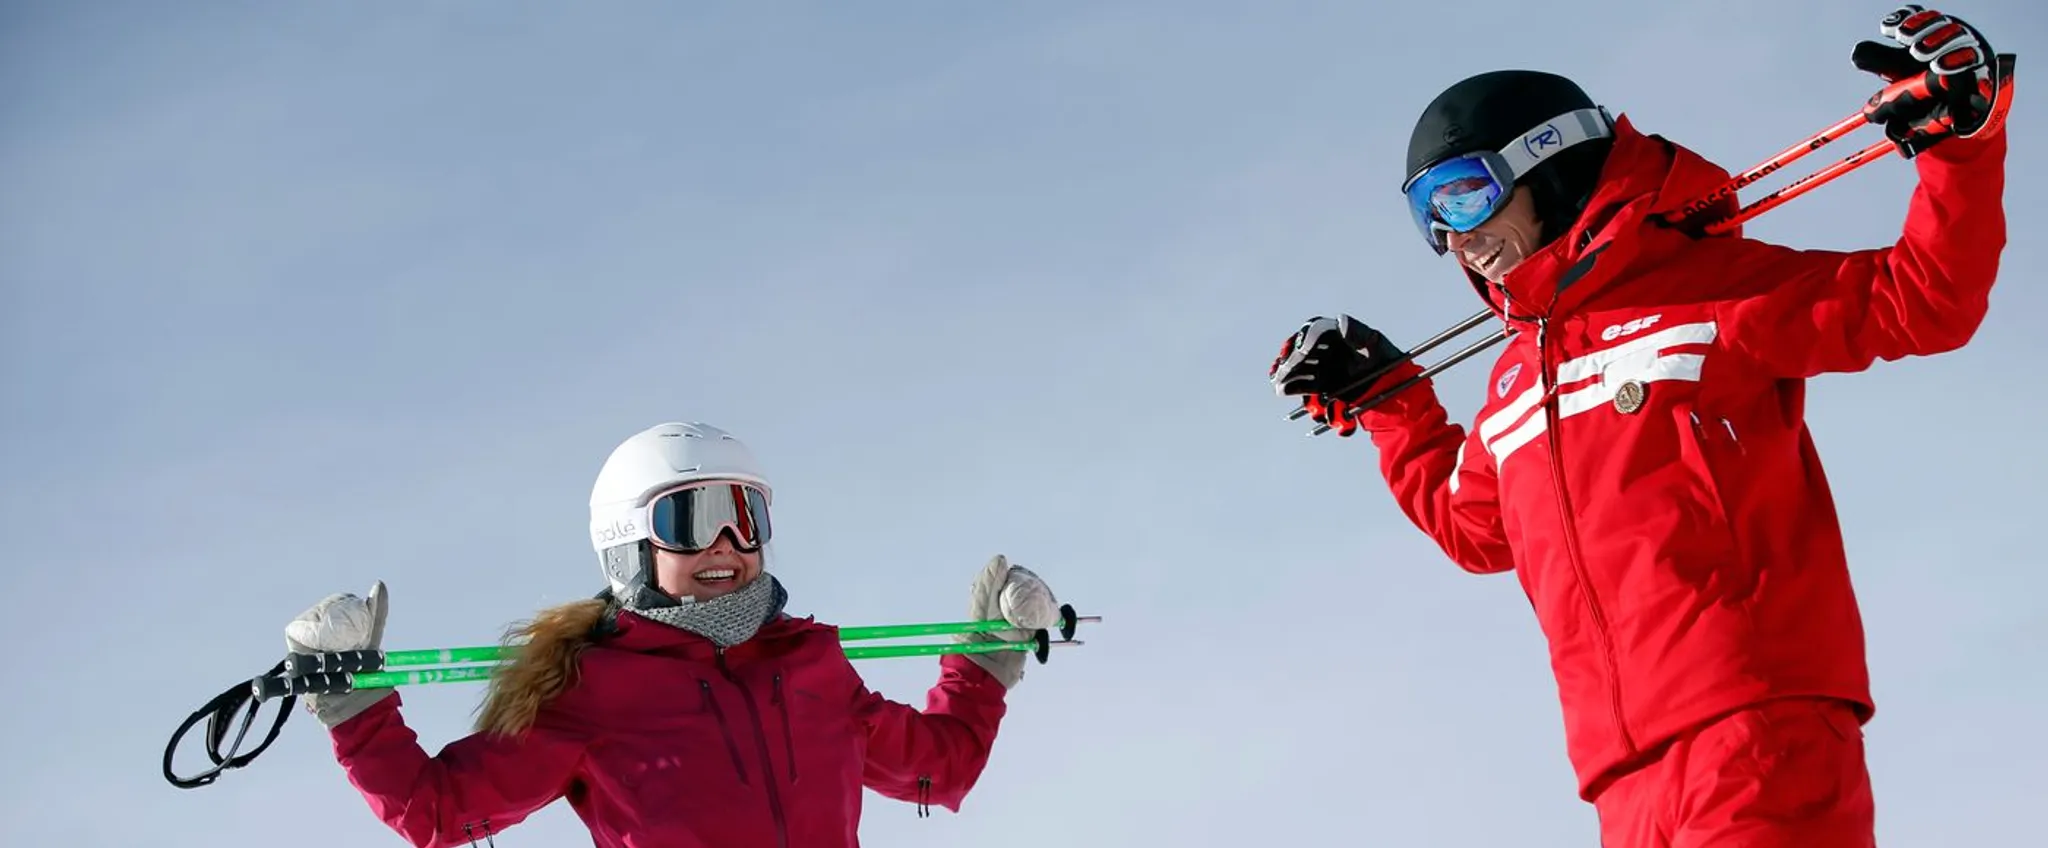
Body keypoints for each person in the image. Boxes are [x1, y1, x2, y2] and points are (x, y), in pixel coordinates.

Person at [1267, 5, 2009, 846]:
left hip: (1754, 730)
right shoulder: (1516, 379)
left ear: (1547, 166)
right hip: (1619, 778)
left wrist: (1960, 146)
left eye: (1464, 195)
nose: (1453, 239)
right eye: (1426, 217)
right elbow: (1474, 529)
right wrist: (1396, 408)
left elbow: (1923, 301)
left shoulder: (1707, 289)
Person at [282, 421, 1067, 848]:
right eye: (690, 518)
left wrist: (991, 656)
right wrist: (352, 706)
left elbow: (943, 766)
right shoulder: (596, 690)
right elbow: (439, 810)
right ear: (631, 546)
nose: (726, 541)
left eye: (745, 513)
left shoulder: (812, 667)